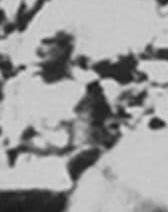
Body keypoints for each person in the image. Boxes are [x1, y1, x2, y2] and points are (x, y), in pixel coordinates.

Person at [0, 29, 96, 166]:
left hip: (48, 166)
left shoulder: (77, 93)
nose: (39, 49)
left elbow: (80, 145)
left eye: (48, 42)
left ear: (65, 50)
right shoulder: (18, 85)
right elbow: (6, 124)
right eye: (39, 43)